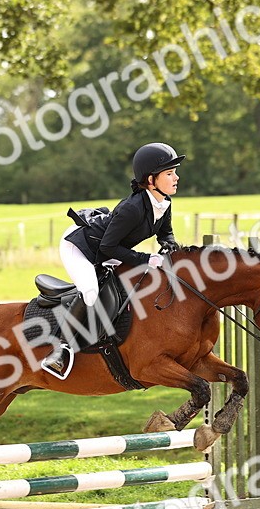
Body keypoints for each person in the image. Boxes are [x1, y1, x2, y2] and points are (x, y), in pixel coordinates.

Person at [41, 142, 185, 377]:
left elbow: (165, 233)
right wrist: (145, 258)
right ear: (151, 180)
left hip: (108, 249)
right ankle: (60, 350)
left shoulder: (164, 202)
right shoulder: (132, 209)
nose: (176, 177)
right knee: (90, 291)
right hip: (81, 247)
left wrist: (172, 249)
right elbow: (108, 247)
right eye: (170, 173)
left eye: (175, 172)